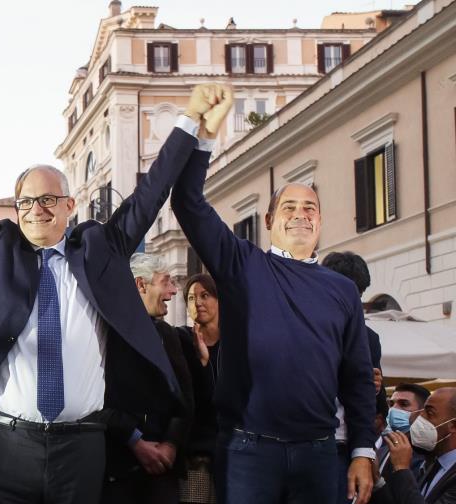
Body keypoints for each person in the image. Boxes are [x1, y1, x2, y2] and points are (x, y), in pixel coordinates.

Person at [0, 76, 222, 502]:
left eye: (48, 199)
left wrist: (189, 119)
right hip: (3, 447)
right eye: (26, 202)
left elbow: (151, 191)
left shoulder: (102, 249)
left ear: (70, 205)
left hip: (82, 447)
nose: (37, 209)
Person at [170, 85, 377, 504]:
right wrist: (205, 135)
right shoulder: (241, 263)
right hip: (248, 451)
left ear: (320, 222)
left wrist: (362, 451)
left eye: (310, 208)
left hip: (320, 452)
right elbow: (188, 202)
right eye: (289, 208)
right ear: (268, 221)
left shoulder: (342, 290)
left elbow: (357, 378)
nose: (300, 214)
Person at [101, 253, 194, 503]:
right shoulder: (104, 333)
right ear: (141, 285)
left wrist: (171, 445)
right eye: (166, 282)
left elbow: (184, 399)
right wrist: (136, 442)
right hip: (116, 470)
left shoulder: (168, 334)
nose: (174, 291)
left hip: (162, 472)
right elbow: (96, 399)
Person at [322, 251, 386, 504]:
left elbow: (379, 411)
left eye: (358, 294)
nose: (353, 302)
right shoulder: (302, 326)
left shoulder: (369, 339)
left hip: (344, 449)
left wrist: (376, 389)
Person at [370, 387, 456, 503]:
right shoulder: (434, 464)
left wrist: (402, 468)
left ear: (453, 426)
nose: (419, 418)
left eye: (429, 413)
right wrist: (377, 481)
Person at [179, 273, 221, 504]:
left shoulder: (236, 344)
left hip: (234, 453)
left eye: (205, 295)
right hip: (196, 455)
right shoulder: (181, 340)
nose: (198, 303)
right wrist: (201, 364)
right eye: (192, 298)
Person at [378, 384, 433, 480]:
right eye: (391, 404)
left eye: (404, 404)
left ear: (422, 412)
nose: (393, 409)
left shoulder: (426, 457)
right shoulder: (382, 450)